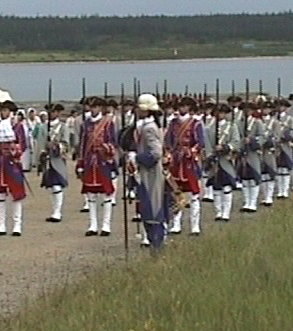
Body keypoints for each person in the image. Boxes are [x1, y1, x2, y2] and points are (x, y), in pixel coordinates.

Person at [127, 93, 168, 251]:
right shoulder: (144, 126)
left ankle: (156, 243)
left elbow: (156, 154)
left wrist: (137, 157)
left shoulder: (149, 128)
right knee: (146, 207)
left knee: (152, 207)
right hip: (144, 172)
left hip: (151, 174)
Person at [76, 96, 120, 236]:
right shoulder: (86, 124)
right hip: (90, 163)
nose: (93, 109)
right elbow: (83, 145)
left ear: (100, 108)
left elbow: (113, 142)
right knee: (91, 195)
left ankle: (106, 225)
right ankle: (93, 225)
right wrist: (81, 162)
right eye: (91, 106)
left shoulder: (108, 123)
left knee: (107, 195)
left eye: (95, 106)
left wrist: (107, 150)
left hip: (103, 162)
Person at [164, 95, 205, 236]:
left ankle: (195, 226)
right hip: (176, 161)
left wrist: (192, 151)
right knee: (176, 193)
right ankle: (176, 224)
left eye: (185, 106)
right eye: (181, 106)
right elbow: (168, 141)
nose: (182, 108)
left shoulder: (196, 123)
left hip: (189, 162)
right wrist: (169, 154)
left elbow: (200, 143)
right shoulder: (173, 123)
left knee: (194, 194)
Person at [0, 99, 27, 236]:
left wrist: (14, 151)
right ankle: (1, 224)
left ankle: (17, 225)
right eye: (2, 111)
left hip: (12, 165)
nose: (3, 113)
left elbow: (22, 144)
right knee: (0, 195)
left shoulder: (18, 127)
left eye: (6, 110)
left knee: (16, 195)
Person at [208, 102, 241, 222]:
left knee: (227, 186)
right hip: (214, 161)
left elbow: (236, 142)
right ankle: (218, 212)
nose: (220, 115)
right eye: (218, 112)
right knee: (216, 187)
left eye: (222, 112)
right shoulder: (209, 128)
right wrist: (210, 155)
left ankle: (226, 212)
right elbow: (207, 145)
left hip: (226, 160)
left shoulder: (231, 127)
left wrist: (225, 147)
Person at [38, 103, 70, 222]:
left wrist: (56, 146)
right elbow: (40, 143)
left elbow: (66, 144)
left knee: (57, 185)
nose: (51, 114)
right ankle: (54, 210)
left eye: (54, 112)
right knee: (50, 186)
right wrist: (42, 152)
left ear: (58, 113)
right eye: (50, 112)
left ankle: (58, 212)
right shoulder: (43, 127)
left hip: (57, 159)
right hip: (47, 160)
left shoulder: (62, 127)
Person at [237, 101, 265, 213]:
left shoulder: (257, 123)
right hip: (242, 153)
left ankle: (253, 203)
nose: (246, 112)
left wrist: (252, 141)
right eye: (245, 110)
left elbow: (262, 137)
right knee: (244, 179)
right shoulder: (238, 123)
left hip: (253, 153)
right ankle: (246, 202)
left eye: (249, 110)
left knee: (253, 178)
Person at [274, 97, 293, 198]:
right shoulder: (273, 119)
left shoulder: (289, 119)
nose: (280, 108)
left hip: (285, 145)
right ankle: (280, 190)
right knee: (278, 169)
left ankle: (285, 190)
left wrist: (286, 136)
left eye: (282, 106)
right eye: (279, 106)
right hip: (276, 146)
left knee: (285, 168)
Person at [259, 100, 279, 207]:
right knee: (262, 174)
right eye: (264, 109)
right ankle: (264, 195)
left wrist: (271, 142)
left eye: (267, 109)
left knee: (270, 172)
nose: (265, 110)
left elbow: (277, 137)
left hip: (269, 150)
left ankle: (269, 197)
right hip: (260, 150)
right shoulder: (258, 121)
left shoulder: (274, 122)